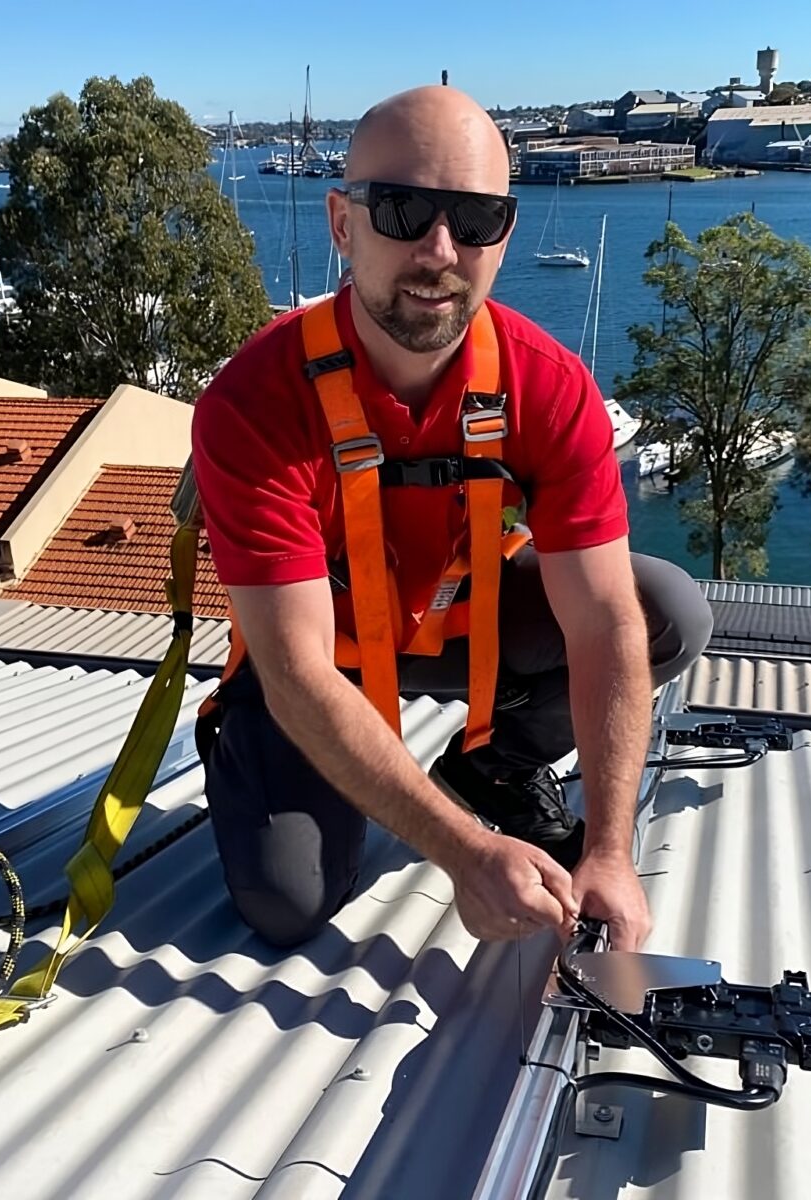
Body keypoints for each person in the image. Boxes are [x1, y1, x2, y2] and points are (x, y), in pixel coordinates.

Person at [190, 85, 712, 952]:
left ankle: (490, 766)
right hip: (326, 661)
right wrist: (465, 854)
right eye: (401, 210)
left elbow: (605, 623)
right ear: (341, 222)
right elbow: (297, 667)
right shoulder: (256, 401)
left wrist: (611, 853)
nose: (439, 251)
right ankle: (266, 766)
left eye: (475, 220)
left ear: (504, 236)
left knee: (665, 610)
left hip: (460, 633)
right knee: (288, 901)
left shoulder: (545, 385)